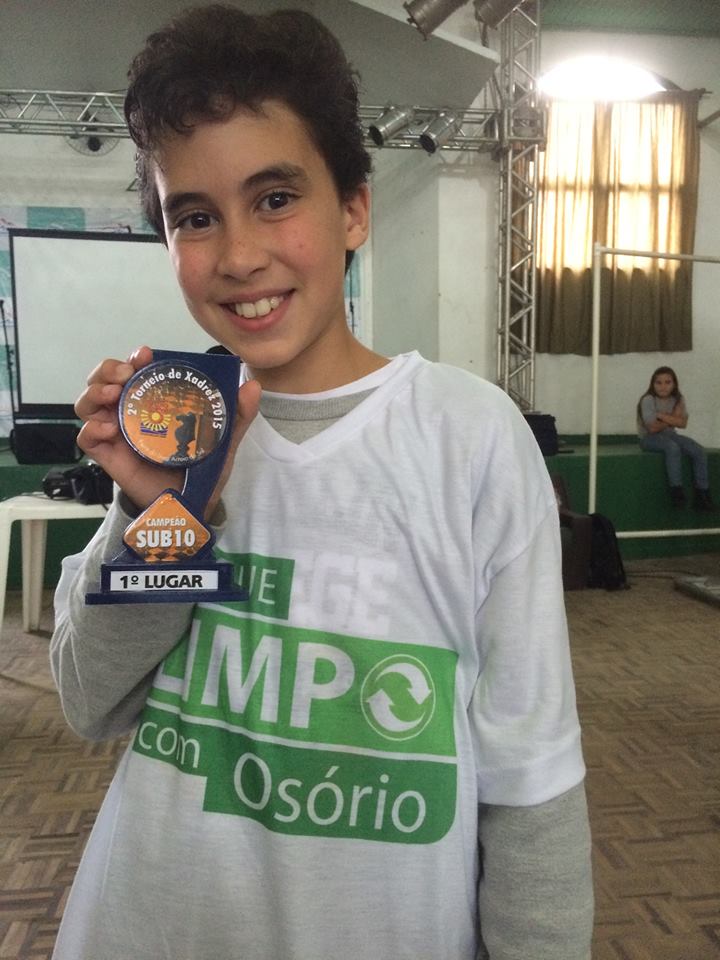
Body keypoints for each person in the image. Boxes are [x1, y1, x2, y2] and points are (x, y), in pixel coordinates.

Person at [49, 5, 594, 959]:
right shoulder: (180, 433)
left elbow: (531, 773)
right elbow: (92, 701)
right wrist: (164, 508)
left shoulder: (468, 436)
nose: (238, 256)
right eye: (195, 217)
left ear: (353, 210)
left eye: (274, 198)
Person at [637, 366, 713, 510]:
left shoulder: (678, 399)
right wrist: (672, 418)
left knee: (698, 450)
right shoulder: (648, 400)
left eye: (668, 382)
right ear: (652, 384)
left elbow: (683, 423)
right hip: (649, 438)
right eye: (658, 383)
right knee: (672, 447)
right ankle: (677, 490)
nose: (663, 386)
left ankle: (702, 494)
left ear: (674, 384)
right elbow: (652, 428)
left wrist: (660, 415)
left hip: (670, 435)